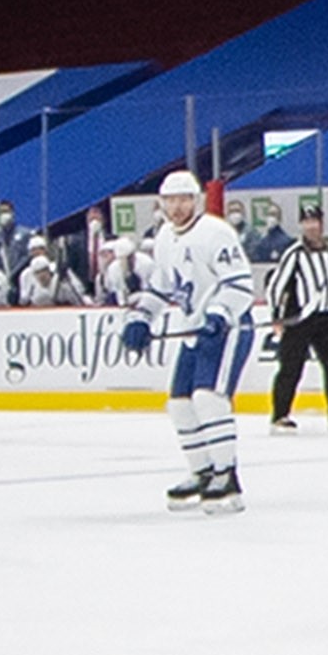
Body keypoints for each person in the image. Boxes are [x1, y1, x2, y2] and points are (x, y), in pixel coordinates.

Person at [137, 169, 255, 510]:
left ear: (196, 199)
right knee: (179, 403)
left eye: (183, 199)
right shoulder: (164, 238)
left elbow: (240, 283)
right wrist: (141, 317)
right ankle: (203, 472)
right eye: (170, 200)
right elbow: (162, 287)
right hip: (194, 331)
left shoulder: (215, 233)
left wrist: (218, 314)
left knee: (208, 397)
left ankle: (227, 477)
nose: (176, 207)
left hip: (228, 328)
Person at [267, 206, 328, 432]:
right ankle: (279, 416)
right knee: (291, 366)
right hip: (299, 318)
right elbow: (276, 286)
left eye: (314, 221)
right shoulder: (294, 254)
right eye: (306, 222)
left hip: (325, 317)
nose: (311, 226)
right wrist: (276, 316)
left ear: (321, 223)